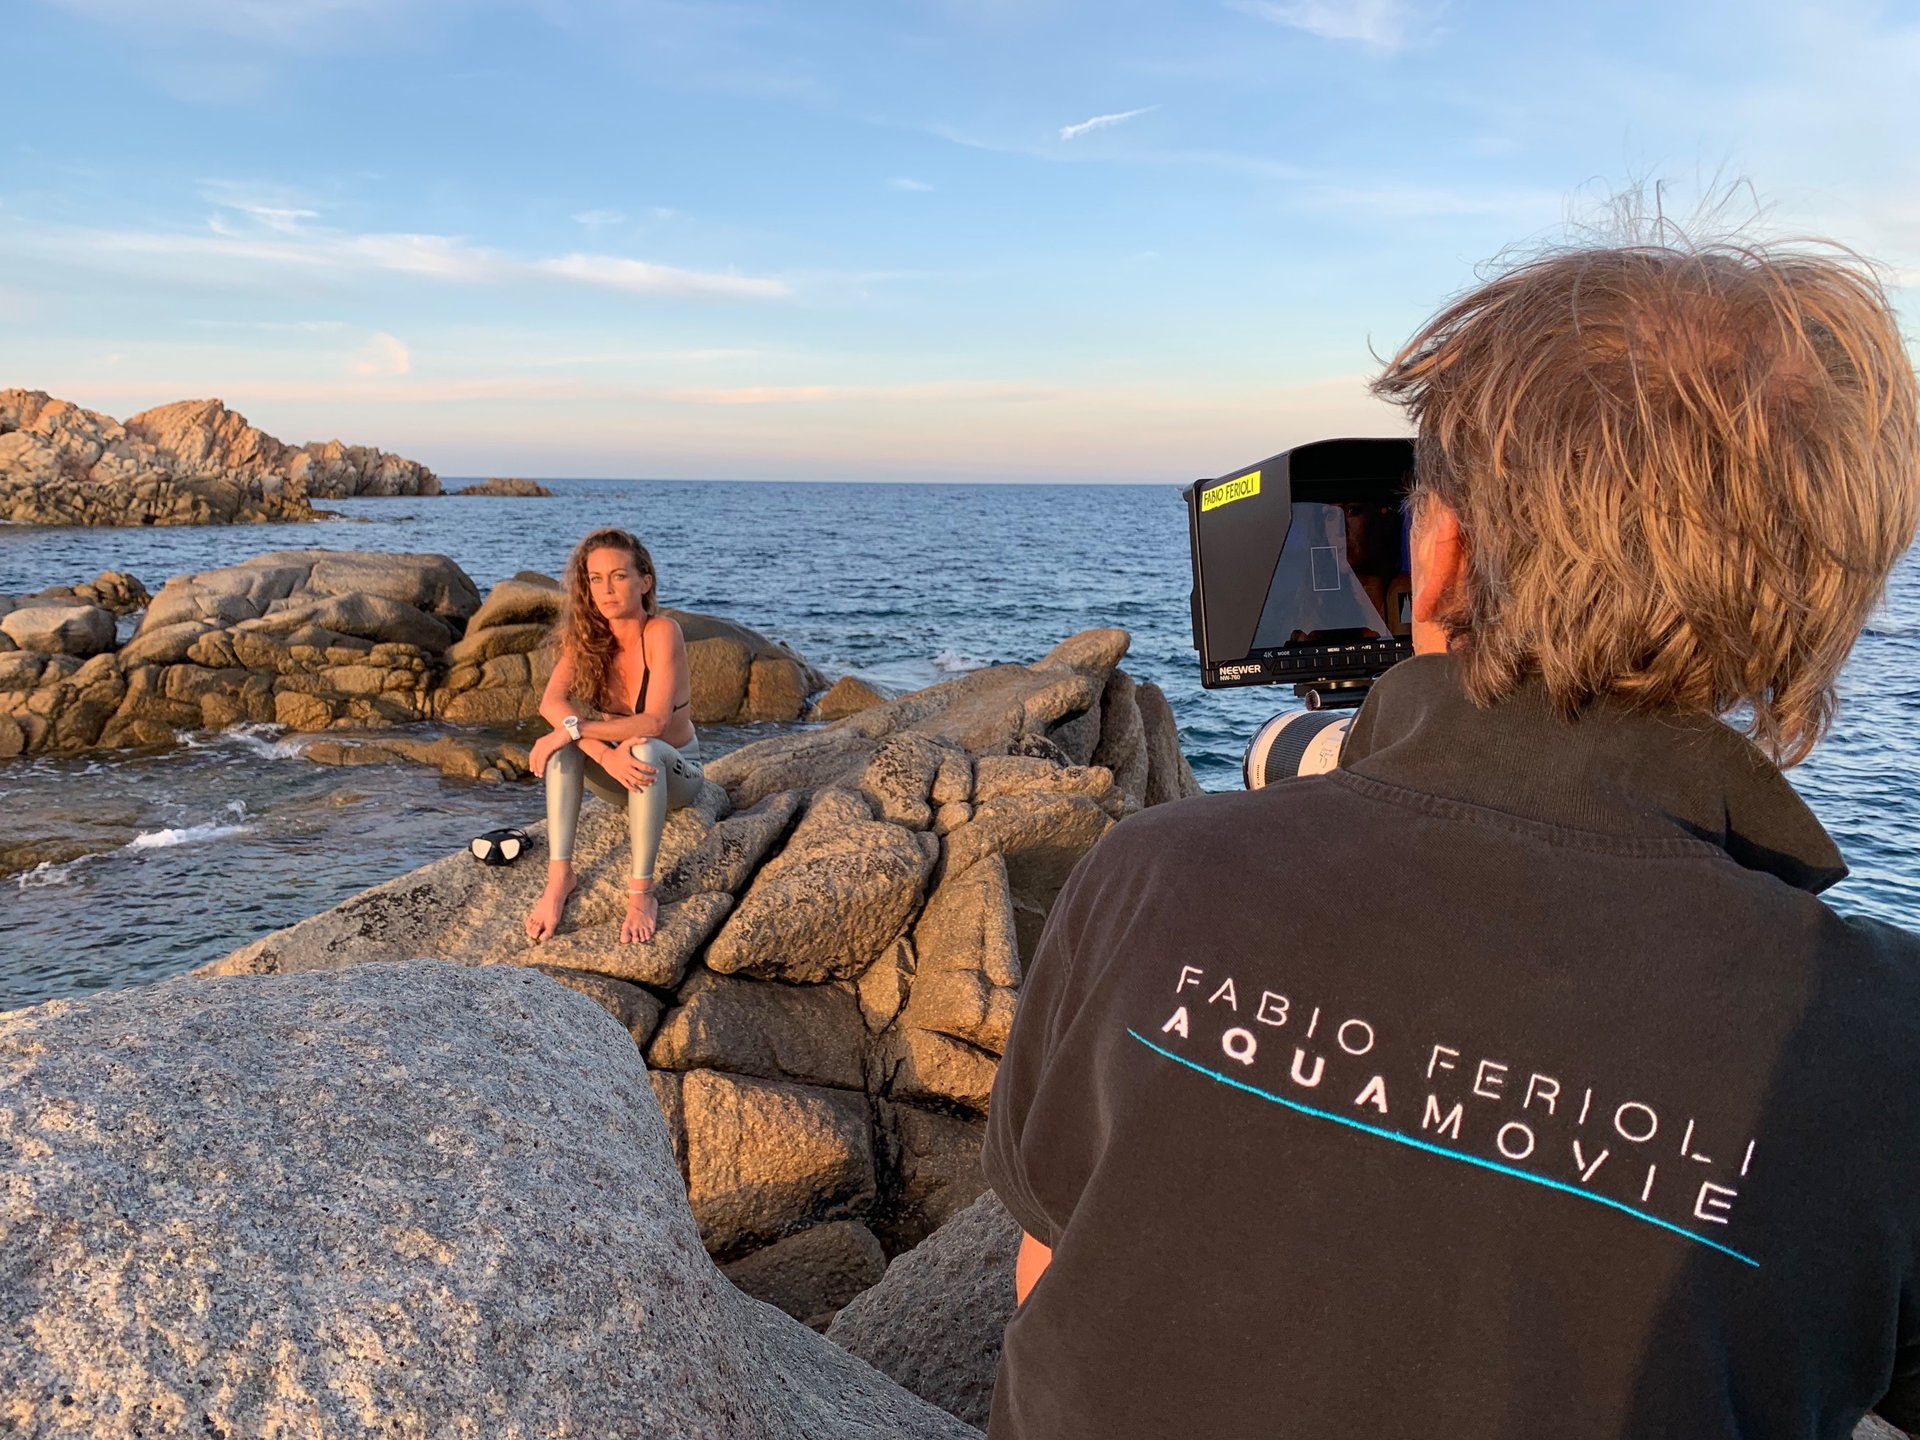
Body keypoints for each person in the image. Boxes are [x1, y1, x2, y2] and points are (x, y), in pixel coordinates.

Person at [984, 238, 1920, 1439]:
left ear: (1444, 556)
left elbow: (1051, 1289)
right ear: (1820, 610)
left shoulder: (1154, 873)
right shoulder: (1879, 1045)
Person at [523, 527, 704, 946]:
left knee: (639, 746)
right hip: (620, 772)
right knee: (564, 751)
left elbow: (654, 722)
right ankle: (559, 877)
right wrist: (602, 755)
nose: (606, 589)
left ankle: (641, 894)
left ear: (645, 582)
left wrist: (573, 731)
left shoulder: (662, 632)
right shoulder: (588, 639)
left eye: (619, 576)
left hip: (675, 774)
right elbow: (551, 702)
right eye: (596, 579)